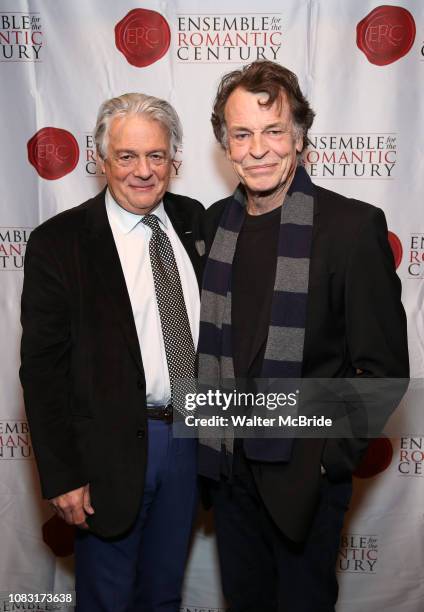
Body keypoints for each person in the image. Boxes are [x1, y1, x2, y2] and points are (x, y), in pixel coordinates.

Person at [197, 61, 409, 611]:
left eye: (274, 131)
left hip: (303, 477)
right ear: (226, 145)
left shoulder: (350, 227)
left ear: (300, 137)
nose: (258, 148)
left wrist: (326, 459)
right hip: (228, 472)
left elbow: (382, 368)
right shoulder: (215, 225)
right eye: (242, 134)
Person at [20, 93, 204, 612]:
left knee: (164, 595)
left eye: (156, 156)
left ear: (174, 160)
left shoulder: (196, 222)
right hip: (104, 456)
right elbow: (42, 372)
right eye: (126, 156)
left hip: (189, 445)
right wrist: (62, 474)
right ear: (101, 160)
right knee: (106, 599)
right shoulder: (60, 242)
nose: (143, 171)